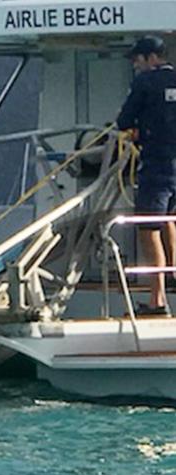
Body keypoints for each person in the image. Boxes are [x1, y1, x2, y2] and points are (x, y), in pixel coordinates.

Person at [117, 35, 176, 315]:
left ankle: (157, 300)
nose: (136, 66)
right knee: (169, 221)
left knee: (148, 228)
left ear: (152, 57)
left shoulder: (145, 83)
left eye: (138, 60)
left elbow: (124, 120)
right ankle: (172, 277)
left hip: (156, 166)